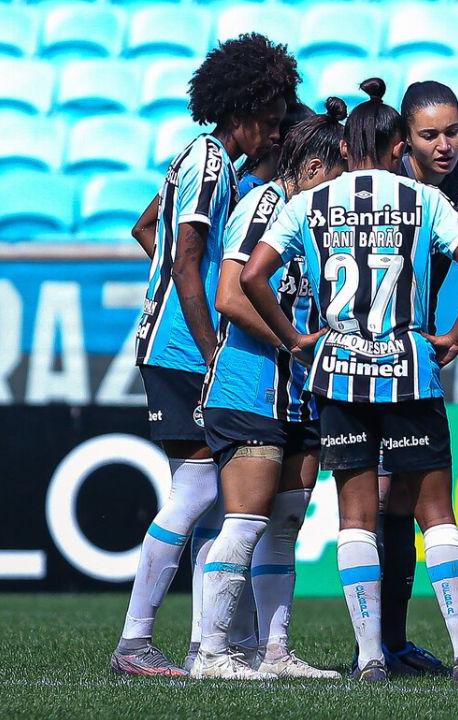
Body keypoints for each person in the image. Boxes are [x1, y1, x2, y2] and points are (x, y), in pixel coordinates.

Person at [240, 78, 458, 683]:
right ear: (393, 147)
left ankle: (371, 657)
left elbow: (254, 278)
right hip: (409, 369)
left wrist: (294, 337)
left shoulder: (308, 203)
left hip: (339, 372)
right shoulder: (420, 199)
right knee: (436, 513)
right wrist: (456, 336)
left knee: (355, 519)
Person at [111, 32, 299, 678]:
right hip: (180, 349)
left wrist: (170, 277)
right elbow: (188, 260)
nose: (277, 134)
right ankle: (136, 641)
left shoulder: (214, 164)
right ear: (243, 108)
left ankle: (205, 646)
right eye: (272, 121)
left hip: (174, 339)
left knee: (214, 501)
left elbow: (146, 228)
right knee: (195, 490)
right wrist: (209, 345)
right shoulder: (212, 161)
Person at [354, 80, 458, 676]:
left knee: (400, 501)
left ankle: (389, 645)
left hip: (413, 358)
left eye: (454, 131)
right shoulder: (384, 187)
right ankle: (369, 645)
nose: (446, 144)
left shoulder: (449, 179)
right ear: (403, 141)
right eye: (430, 135)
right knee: (374, 501)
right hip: (356, 356)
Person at [191, 99, 349, 680]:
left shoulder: (312, 221)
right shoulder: (265, 204)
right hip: (250, 382)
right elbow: (230, 295)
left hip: (298, 390)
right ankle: (213, 652)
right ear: (311, 170)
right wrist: (296, 341)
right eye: (335, 178)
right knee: (246, 520)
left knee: (286, 522)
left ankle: (273, 650)